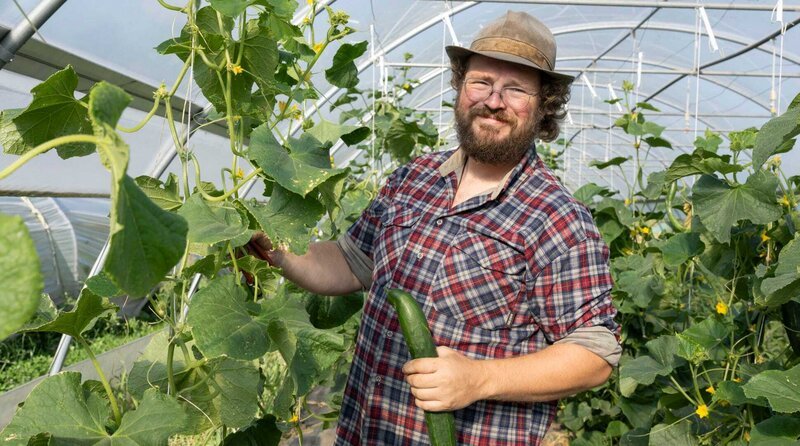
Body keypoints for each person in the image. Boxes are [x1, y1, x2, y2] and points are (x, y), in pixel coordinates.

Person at [249, 10, 620, 445]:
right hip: (365, 432)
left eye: (515, 89)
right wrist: (276, 248)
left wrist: (479, 379)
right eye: (480, 81)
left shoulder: (558, 218)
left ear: (544, 107)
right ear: (461, 87)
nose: (493, 100)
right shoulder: (414, 178)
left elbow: (594, 354)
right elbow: (350, 263)